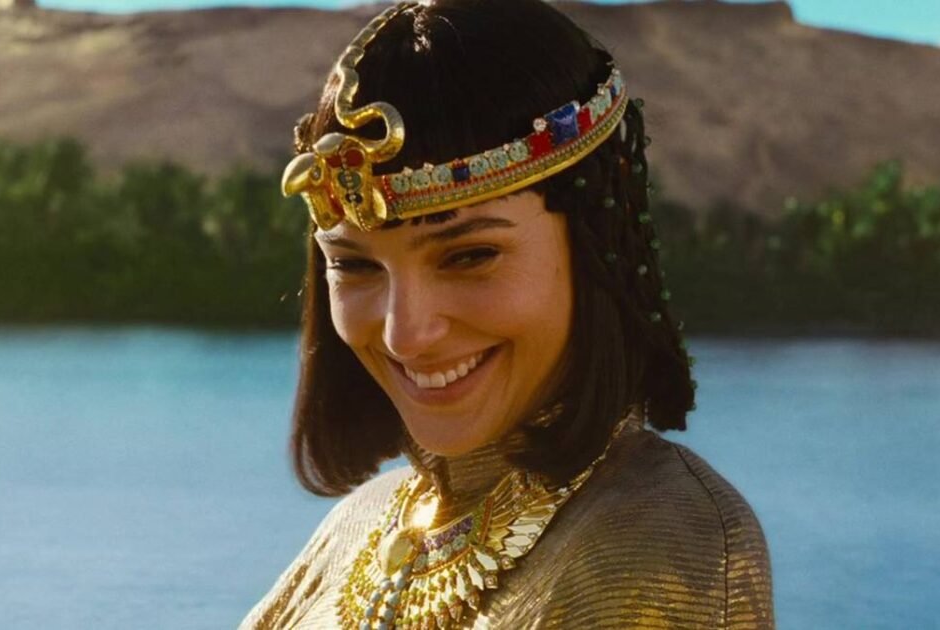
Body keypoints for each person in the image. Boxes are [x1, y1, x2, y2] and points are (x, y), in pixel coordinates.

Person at [241, 0, 774, 627]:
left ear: (594, 246)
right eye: (355, 266)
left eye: (469, 256)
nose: (405, 334)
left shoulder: (660, 538)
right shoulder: (359, 523)